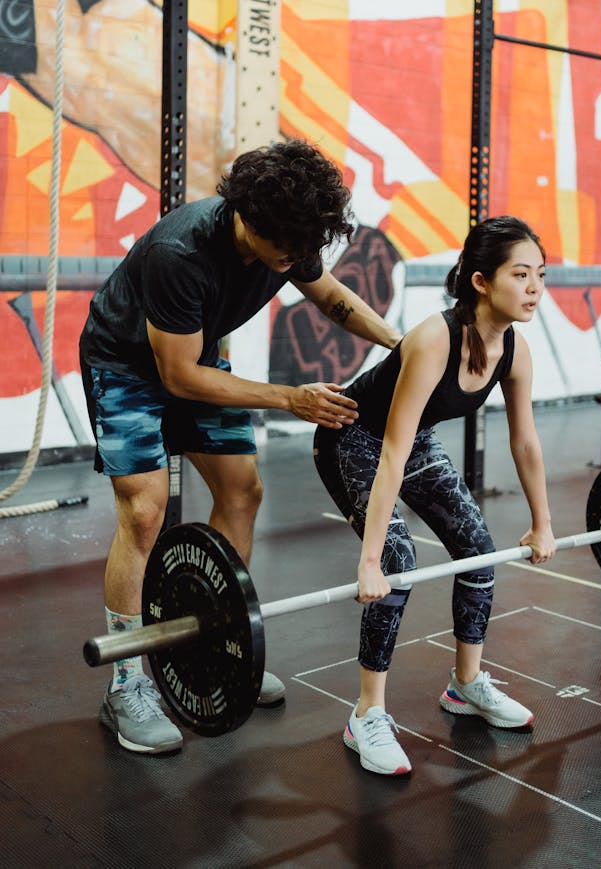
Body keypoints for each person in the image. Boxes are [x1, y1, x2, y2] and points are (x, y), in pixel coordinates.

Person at [79, 139, 401, 755]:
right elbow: (177, 378)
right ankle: (126, 684)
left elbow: (333, 296)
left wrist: (404, 345)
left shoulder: (289, 237)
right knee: (144, 509)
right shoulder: (181, 252)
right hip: (125, 365)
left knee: (242, 492)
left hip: (196, 356)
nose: (296, 263)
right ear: (248, 221)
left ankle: (212, 644)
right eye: (288, 252)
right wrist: (291, 398)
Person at [313, 215, 556, 776]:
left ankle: (465, 685)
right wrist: (370, 561)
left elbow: (524, 441)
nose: (534, 289)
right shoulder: (432, 340)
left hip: (409, 437)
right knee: (400, 561)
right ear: (480, 280)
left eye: (539, 275)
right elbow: (391, 453)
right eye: (520, 275)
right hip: (351, 437)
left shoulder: (515, 350)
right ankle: (366, 714)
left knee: (479, 548)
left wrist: (542, 522)